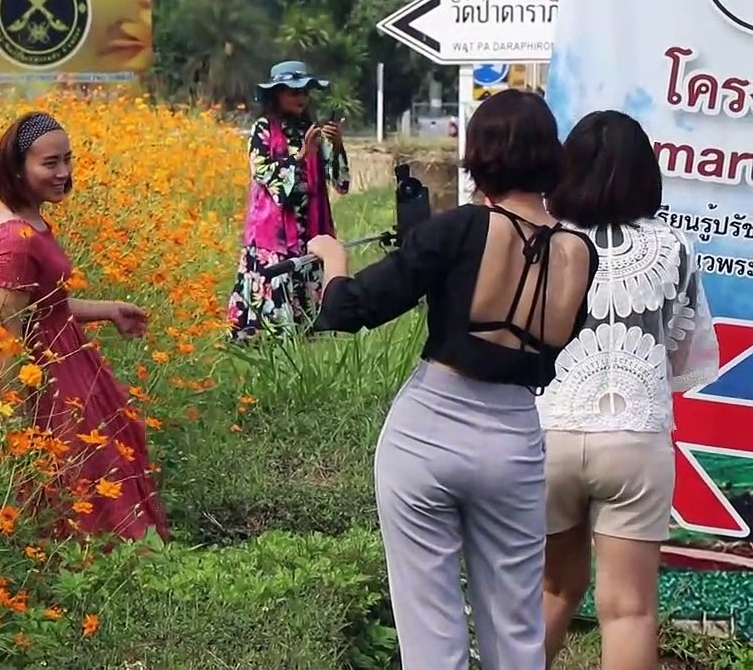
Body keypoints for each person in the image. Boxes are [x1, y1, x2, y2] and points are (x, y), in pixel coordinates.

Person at [305, 89, 599, 670]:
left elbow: (353, 308)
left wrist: (333, 262)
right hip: (515, 436)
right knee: (516, 631)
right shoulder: (578, 251)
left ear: (481, 156)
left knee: (431, 633)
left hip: (429, 429)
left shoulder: (463, 227)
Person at [536, 110, 720, 670]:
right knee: (630, 611)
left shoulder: (543, 242)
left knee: (548, 592)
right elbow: (685, 355)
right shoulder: (674, 247)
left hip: (549, 434)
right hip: (636, 439)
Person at [0, 110, 169, 545]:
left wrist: (109, 309)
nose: (64, 172)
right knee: (81, 477)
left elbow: (47, 305)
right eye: (50, 164)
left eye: (67, 159)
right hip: (45, 375)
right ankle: (98, 578)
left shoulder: (29, 217)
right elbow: (7, 331)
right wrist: (13, 415)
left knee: (96, 472)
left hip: (64, 356)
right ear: (16, 167)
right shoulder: (13, 239)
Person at [226, 60, 351, 342]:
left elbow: (340, 184)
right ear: (277, 94)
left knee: (309, 324)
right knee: (269, 327)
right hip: (273, 238)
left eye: (305, 92)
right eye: (294, 92)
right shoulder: (263, 130)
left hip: (311, 233)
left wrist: (337, 146)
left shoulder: (313, 130)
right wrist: (300, 155)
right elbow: (266, 177)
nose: (301, 98)